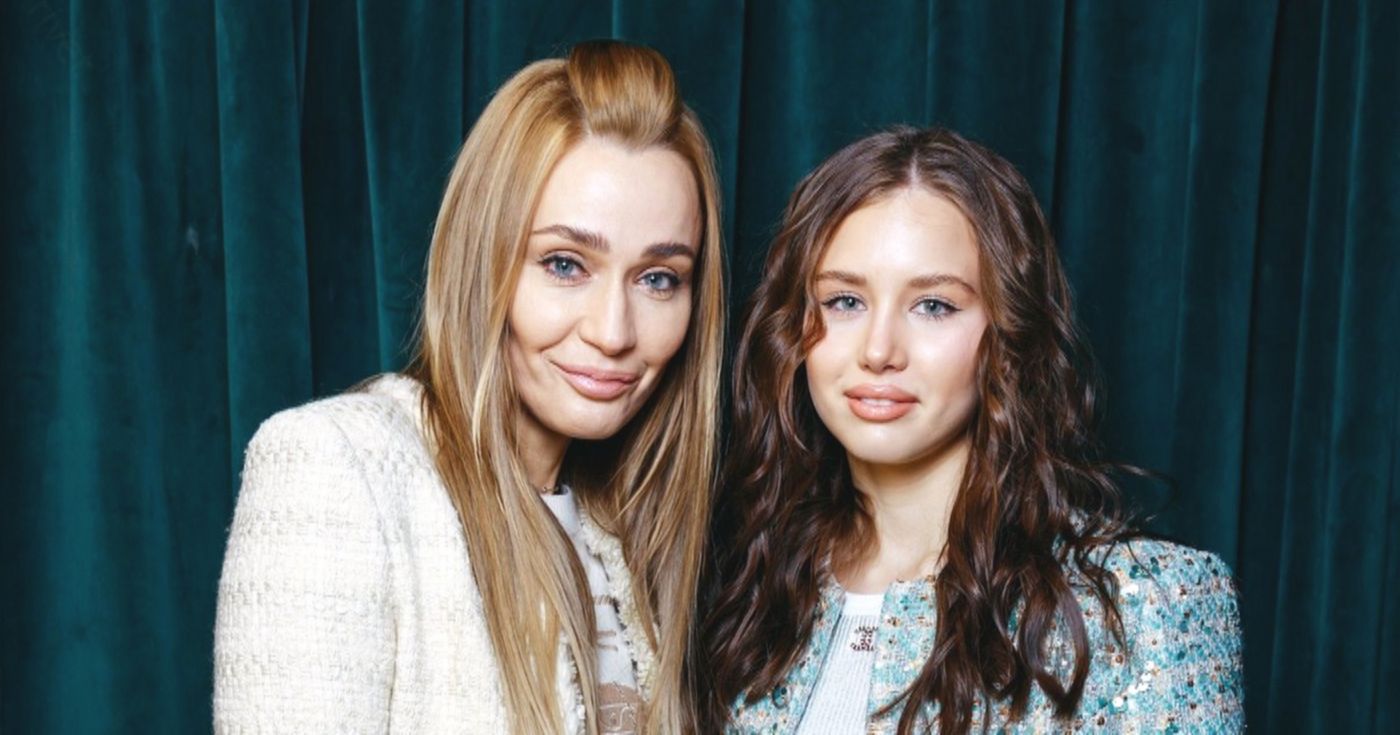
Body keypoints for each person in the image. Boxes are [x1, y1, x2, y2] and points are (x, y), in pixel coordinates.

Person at [213, 40, 724, 735]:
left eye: (659, 278)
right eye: (565, 264)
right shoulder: (337, 467)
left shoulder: (622, 531)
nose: (613, 331)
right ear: (483, 258)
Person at [698, 127, 1243, 733]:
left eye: (933, 305)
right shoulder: (743, 590)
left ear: (1008, 333)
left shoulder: (1145, 607)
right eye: (845, 301)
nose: (878, 352)